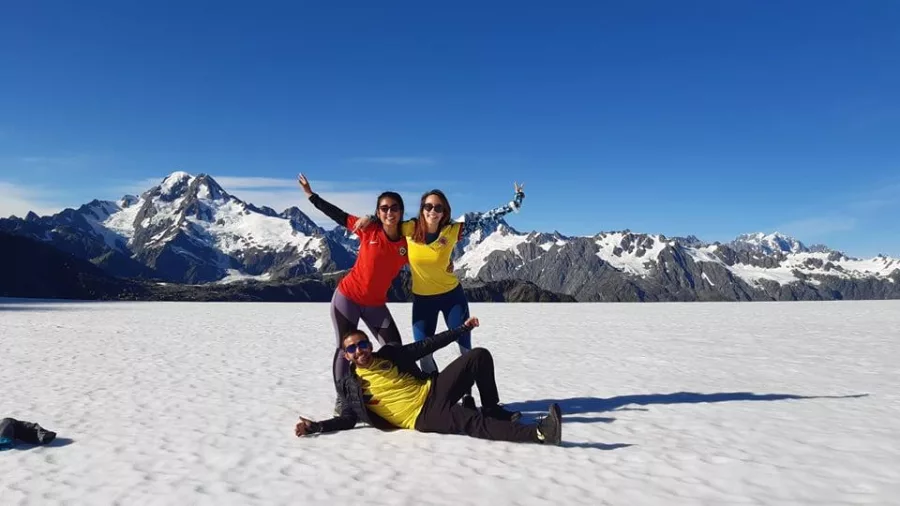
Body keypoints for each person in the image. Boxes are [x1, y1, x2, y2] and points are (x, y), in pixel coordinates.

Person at [355, 182, 526, 410]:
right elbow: (388, 218)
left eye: (438, 208)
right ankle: (435, 396)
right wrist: (369, 217)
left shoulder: (453, 230)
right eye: (428, 206)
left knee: (465, 349)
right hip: (423, 300)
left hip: (452, 298)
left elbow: (488, 218)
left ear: (445, 211)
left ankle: (467, 396)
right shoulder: (409, 228)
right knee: (424, 352)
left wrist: (516, 201)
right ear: (422, 209)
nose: (432, 211)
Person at [294, 317, 562, 445]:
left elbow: (425, 345)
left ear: (369, 344)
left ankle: (492, 407)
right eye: (352, 348)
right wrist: (316, 426)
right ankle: (540, 434)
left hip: (433, 388)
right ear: (346, 356)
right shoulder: (351, 385)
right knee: (472, 423)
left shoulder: (389, 354)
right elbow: (348, 418)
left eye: (362, 344)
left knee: (479, 356)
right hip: (421, 415)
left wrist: (461, 330)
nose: (359, 350)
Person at [298, 173, 409, 413]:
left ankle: (386, 388)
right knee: (345, 349)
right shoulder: (367, 230)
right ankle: (344, 397)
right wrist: (311, 195)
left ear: (401, 212)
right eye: (384, 208)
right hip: (347, 298)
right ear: (378, 212)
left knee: (394, 347)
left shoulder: (407, 243)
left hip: (375, 304)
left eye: (394, 208)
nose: (389, 212)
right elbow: (337, 215)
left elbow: (428, 257)